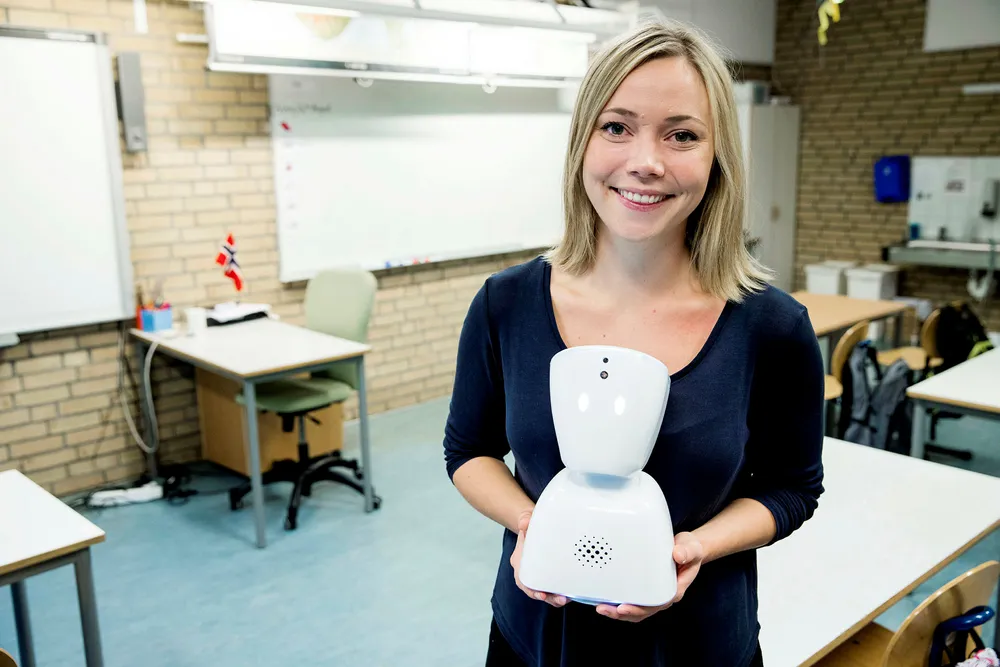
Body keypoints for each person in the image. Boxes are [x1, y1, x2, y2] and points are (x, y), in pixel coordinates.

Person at [442, 17, 825, 667]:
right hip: (536, 641)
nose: (646, 162)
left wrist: (695, 547)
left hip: (700, 646)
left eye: (682, 135)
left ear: (717, 157)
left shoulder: (772, 326)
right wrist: (534, 525)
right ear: (582, 143)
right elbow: (468, 450)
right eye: (617, 127)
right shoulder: (505, 304)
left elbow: (792, 488)